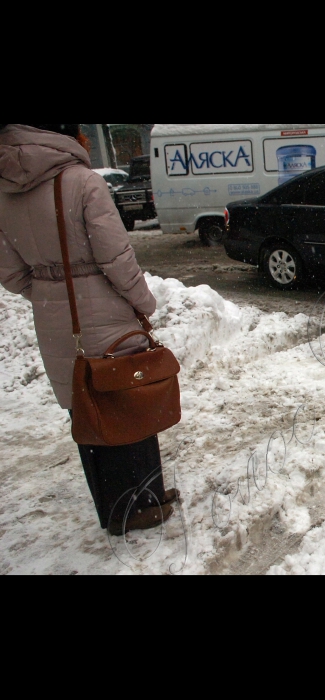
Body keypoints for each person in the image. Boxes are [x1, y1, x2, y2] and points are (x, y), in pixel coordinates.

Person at [0, 123, 178, 536]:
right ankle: (142, 506)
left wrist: (51, 294)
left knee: (86, 412)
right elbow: (116, 258)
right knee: (130, 403)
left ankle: (112, 510)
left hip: (53, 318)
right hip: (107, 310)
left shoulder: (5, 191)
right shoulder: (82, 182)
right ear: (67, 136)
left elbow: (10, 274)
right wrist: (143, 303)